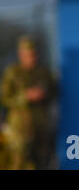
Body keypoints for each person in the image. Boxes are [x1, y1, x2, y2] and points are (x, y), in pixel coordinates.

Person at [0, 36, 57, 169]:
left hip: (41, 129)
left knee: (42, 163)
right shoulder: (12, 73)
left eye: (34, 54)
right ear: (21, 54)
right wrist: (25, 96)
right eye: (29, 54)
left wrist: (44, 94)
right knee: (18, 164)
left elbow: (54, 93)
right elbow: (5, 98)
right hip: (20, 132)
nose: (32, 58)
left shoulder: (43, 72)